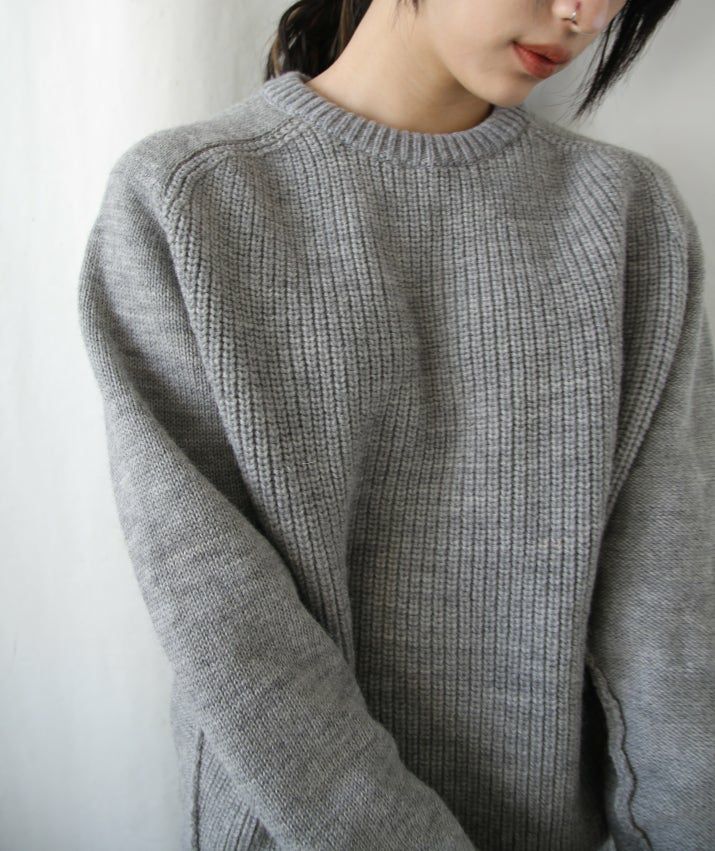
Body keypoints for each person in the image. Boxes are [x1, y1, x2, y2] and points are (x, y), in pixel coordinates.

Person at [77, 0, 714, 849]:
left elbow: (665, 595)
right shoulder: (187, 197)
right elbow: (218, 608)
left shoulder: (628, 215)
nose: (583, 14)